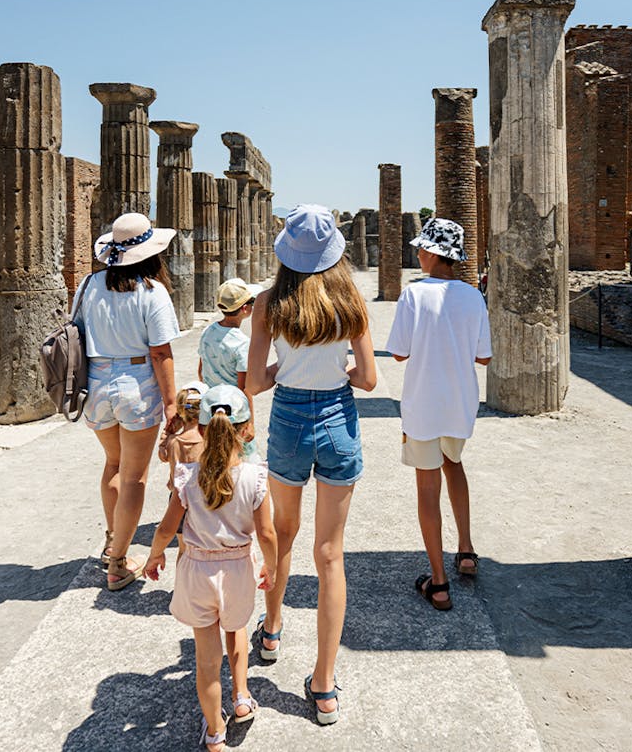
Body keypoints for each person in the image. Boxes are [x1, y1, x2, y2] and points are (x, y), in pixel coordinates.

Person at [245, 203, 377, 726]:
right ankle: (323, 686)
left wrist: (289, 361)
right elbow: (367, 379)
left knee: (282, 533)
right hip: (337, 419)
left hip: (289, 419)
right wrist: (336, 362)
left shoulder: (267, 304)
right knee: (330, 555)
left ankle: (272, 628)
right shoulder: (350, 301)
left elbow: (255, 383)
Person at [144, 385, 277, 752]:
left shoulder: (187, 477)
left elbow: (166, 528)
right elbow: (266, 532)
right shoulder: (255, 476)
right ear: (246, 429)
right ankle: (242, 696)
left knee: (206, 661)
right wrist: (273, 566)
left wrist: (155, 556)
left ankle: (216, 732)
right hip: (238, 570)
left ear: (200, 429)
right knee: (237, 631)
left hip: (198, 572)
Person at [384, 218, 491, 610]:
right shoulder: (473, 297)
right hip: (460, 401)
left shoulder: (413, 296)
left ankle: (439, 581)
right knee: (455, 466)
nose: (417, 253)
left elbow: (399, 352)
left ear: (430, 253)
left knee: (427, 486)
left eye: (420, 248)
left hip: (423, 403)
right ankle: (465, 550)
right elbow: (483, 355)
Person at [72, 212, 181, 591]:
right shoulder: (152, 292)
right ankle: (118, 563)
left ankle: (112, 540)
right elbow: (160, 353)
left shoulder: (88, 285)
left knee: (113, 464)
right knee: (135, 476)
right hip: (137, 387)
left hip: (97, 384)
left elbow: (78, 334)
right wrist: (171, 404)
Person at [198, 279, 260, 390]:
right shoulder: (242, 342)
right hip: (232, 403)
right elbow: (244, 388)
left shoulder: (207, 331)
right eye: (252, 302)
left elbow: (201, 371)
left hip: (210, 399)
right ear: (245, 309)